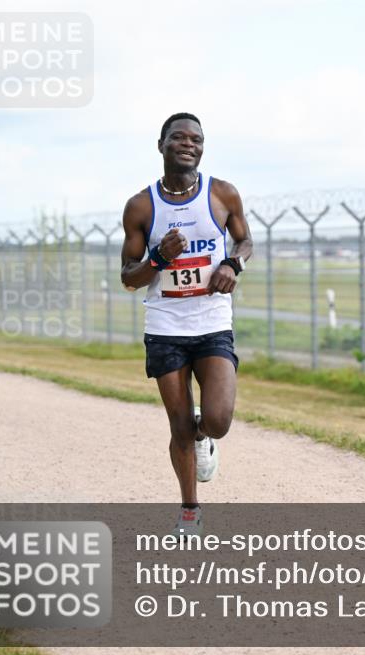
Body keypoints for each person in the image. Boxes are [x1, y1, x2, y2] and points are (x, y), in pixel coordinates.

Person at [120, 112, 252, 537]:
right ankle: (190, 510)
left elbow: (245, 240)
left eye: (196, 139)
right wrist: (159, 258)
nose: (188, 144)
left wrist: (232, 264)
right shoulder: (141, 206)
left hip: (212, 322)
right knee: (178, 425)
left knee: (218, 419)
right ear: (161, 145)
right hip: (166, 327)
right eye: (179, 137)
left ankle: (204, 436)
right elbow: (128, 277)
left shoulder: (222, 194)